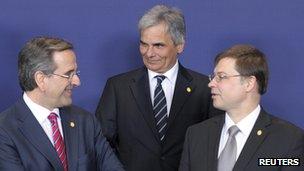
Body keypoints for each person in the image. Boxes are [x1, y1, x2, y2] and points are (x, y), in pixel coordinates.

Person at [95, 5, 222, 171]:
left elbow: (214, 144)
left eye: (158, 45)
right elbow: (100, 144)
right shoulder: (118, 87)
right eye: (144, 44)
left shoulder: (204, 88)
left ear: (179, 45)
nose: (149, 53)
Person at [0, 37, 124, 171]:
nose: (77, 81)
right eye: (68, 74)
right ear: (41, 79)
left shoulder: (85, 121)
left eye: (75, 73)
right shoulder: (5, 131)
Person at [179, 44, 304, 171]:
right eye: (213, 77)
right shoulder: (197, 134)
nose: (211, 83)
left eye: (221, 77)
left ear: (249, 83)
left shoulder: (288, 139)